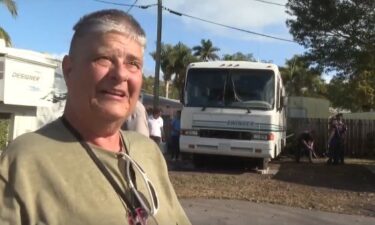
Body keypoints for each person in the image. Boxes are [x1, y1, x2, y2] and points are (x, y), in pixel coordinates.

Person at [0, 9, 191, 225]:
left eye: (133, 64)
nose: (120, 74)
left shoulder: (148, 152)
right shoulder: (23, 161)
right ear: (69, 70)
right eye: (104, 59)